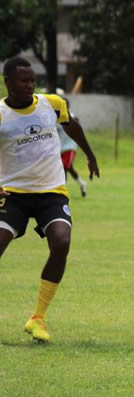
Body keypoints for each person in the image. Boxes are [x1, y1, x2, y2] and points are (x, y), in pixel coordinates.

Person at [0, 56, 100, 342]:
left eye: (33, 80)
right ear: (8, 82)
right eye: (24, 80)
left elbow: (72, 125)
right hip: (13, 194)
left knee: (62, 241)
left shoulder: (51, 104)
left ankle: (38, 318)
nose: (31, 85)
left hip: (51, 191)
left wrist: (90, 155)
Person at [58, 99, 88, 197]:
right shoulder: (55, 118)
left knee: (64, 167)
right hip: (59, 148)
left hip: (70, 147)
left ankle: (63, 192)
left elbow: (78, 131)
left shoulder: (73, 117)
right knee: (69, 168)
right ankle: (82, 184)